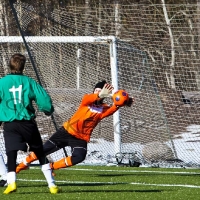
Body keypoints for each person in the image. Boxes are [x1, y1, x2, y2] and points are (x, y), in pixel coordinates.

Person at [16, 80, 134, 173]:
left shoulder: (104, 109)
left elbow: (113, 108)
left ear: (107, 94)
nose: (98, 92)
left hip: (81, 138)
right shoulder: (87, 100)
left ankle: (51, 167)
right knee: (42, 151)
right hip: (66, 132)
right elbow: (87, 98)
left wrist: (123, 103)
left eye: (101, 90)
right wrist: (99, 96)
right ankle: (19, 167)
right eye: (97, 90)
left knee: (79, 157)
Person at [0, 53, 59, 194]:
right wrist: (48, 110)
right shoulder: (29, 82)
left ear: (9, 65)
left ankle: (12, 183)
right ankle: (52, 185)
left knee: (11, 153)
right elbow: (44, 100)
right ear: (23, 67)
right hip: (27, 123)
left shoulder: (2, 82)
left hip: (10, 124)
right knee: (40, 153)